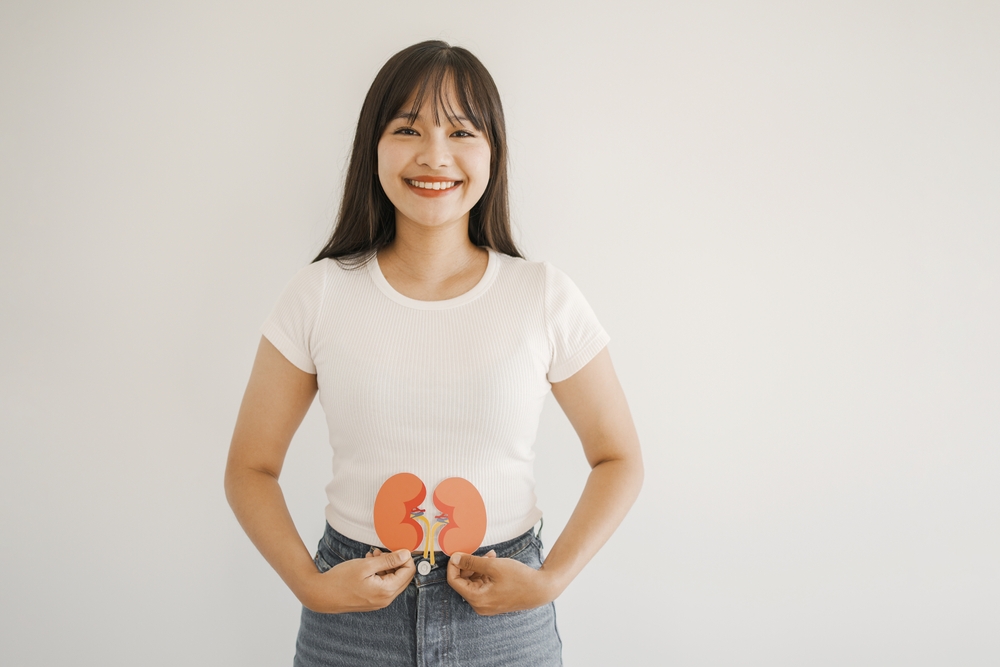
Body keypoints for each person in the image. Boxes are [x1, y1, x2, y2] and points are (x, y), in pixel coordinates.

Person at [225, 40, 643, 666]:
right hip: (352, 623)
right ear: (373, 147)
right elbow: (249, 468)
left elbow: (619, 458)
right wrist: (309, 585)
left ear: (493, 151)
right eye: (408, 129)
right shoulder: (320, 293)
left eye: (461, 131)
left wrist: (550, 580)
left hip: (505, 624)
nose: (435, 155)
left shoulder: (542, 295)